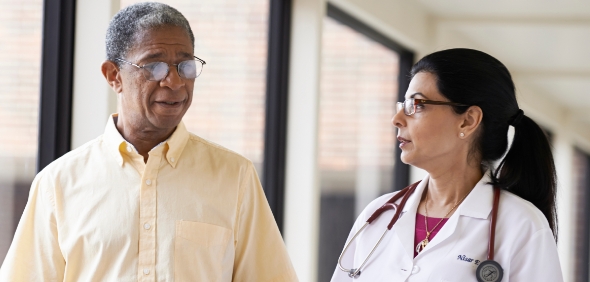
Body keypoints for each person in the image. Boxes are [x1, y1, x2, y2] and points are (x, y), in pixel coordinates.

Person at [0, 2, 298, 281]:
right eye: (155, 67)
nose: (174, 82)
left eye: (185, 66)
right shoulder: (57, 184)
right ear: (113, 75)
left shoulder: (236, 178)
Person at [331, 48, 563, 281]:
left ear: (468, 120)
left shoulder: (521, 225)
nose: (397, 119)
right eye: (403, 104)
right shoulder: (377, 216)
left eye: (417, 104)